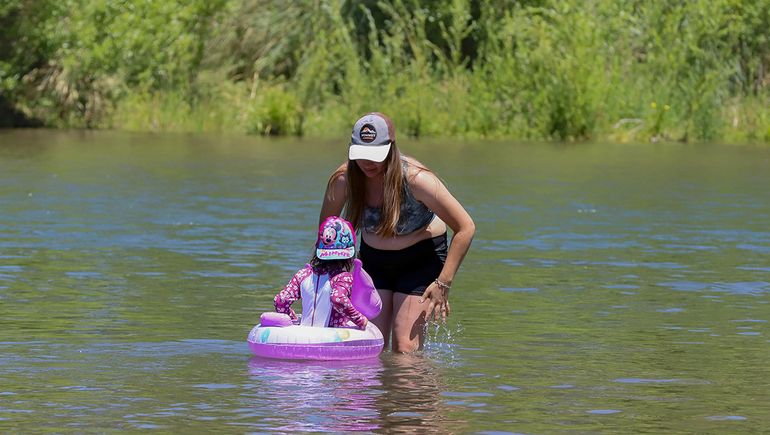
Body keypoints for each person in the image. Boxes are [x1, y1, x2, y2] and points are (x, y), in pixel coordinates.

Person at [320, 112, 475, 352]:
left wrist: (443, 283)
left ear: (391, 148)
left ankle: (417, 389)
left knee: (404, 348)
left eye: (375, 156)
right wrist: (328, 277)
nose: (367, 163)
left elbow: (466, 227)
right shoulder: (343, 180)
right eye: (361, 155)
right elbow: (327, 230)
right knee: (370, 344)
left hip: (421, 260)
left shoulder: (417, 179)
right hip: (373, 261)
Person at [273, 216, 368, 330]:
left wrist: (292, 319)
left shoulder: (303, 274)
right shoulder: (343, 278)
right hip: (331, 339)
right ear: (350, 254)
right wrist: (359, 319)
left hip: (303, 335)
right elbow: (338, 298)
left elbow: (281, 301)